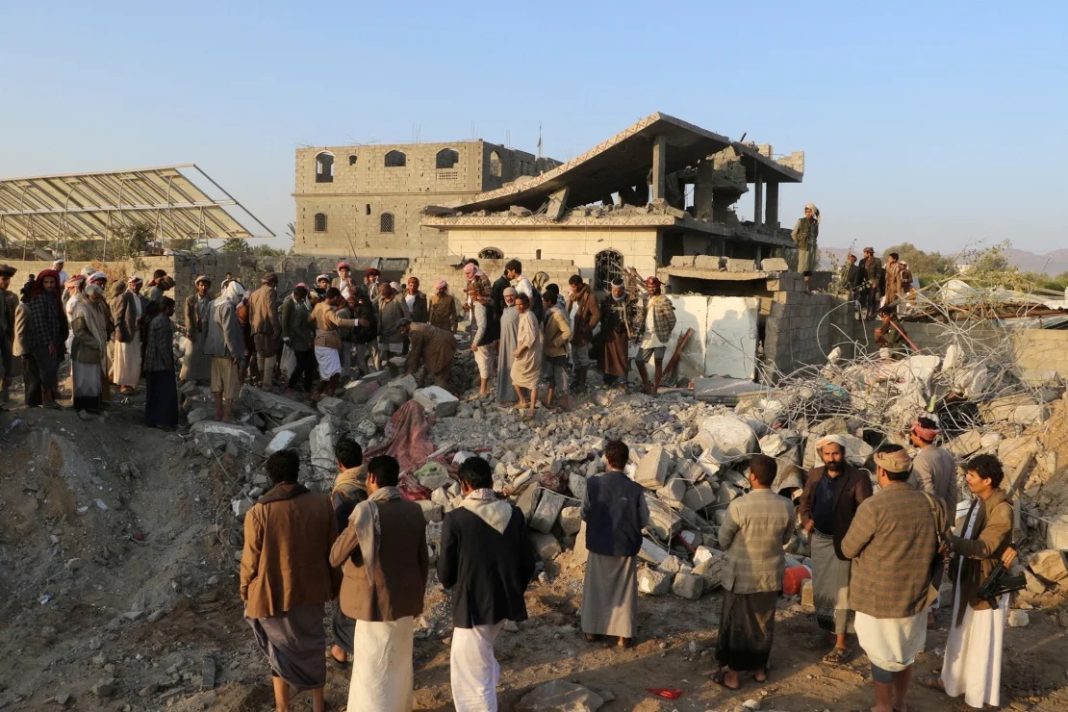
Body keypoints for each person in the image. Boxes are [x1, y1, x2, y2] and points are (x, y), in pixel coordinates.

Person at [841, 445, 944, 712]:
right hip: (917, 595)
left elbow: (848, 549)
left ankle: (883, 705)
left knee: (881, 655)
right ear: (909, 471)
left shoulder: (873, 507)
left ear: (881, 472)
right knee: (904, 654)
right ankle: (900, 703)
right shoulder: (933, 504)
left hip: (879, 598)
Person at [330, 455, 429, 712]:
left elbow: (336, 555)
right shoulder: (414, 510)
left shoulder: (365, 510)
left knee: (372, 674)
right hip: (405, 602)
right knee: (398, 666)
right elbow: (422, 560)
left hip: (373, 604)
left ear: (372, 479)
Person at [438, 456, 537, 711]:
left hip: (473, 607)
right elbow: (528, 562)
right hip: (504, 603)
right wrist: (513, 589)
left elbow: (445, 572)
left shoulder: (456, 519)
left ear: (465, 484)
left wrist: (453, 584)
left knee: (471, 678)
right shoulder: (512, 515)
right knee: (481, 659)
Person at [241, 449, 337, 712]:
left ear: (271, 477)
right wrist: (333, 585)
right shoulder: (322, 503)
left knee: (279, 652)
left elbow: (250, 560)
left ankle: (283, 707)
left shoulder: (258, 513)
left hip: (273, 595)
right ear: (297, 473)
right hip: (313, 590)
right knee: (313, 646)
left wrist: (245, 590)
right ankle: (318, 705)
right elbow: (333, 550)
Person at [938, 454, 1014, 709]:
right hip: (968, 576)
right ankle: (952, 683)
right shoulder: (979, 502)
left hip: (986, 583)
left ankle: (976, 695)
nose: (967, 479)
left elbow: (986, 546)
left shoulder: (1001, 508)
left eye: (972, 475)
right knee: (961, 632)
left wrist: (949, 541)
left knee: (981, 640)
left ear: (987, 480)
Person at [713, 454, 795, 691]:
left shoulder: (739, 505)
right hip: (770, 576)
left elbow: (723, 539)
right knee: (763, 624)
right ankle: (760, 670)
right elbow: (787, 538)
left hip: (741, 577)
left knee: (738, 625)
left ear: (752, 477)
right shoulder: (786, 505)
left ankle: (734, 676)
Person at [798, 434, 873, 663]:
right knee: (822, 588)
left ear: (843, 453)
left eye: (836, 453)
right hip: (819, 539)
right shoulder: (815, 475)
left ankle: (841, 642)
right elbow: (805, 501)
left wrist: (857, 540)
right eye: (828, 454)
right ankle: (826, 631)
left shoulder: (857, 478)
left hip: (844, 543)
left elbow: (866, 512)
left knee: (841, 592)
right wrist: (806, 519)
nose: (832, 458)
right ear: (821, 454)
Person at [581, 439, 649, 647]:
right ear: (626, 461)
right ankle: (623, 635)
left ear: (608, 460)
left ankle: (593, 630)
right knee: (625, 591)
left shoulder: (593, 484)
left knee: (596, 588)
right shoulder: (636, 490)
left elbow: (584, 513)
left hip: (599, 544)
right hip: (625, 546)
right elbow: (644, 519)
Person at [328, 436, 368, 668]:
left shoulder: (342, 491)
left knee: (346, 605)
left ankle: (343, 650)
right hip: (373, 550)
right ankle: (340, 648)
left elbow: (342, 527)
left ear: (340, 464)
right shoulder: (371, 482)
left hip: (352, 555)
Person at [14, 269, 68, 408]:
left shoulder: (53, 296)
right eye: (46, 282)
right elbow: (39, 322)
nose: (49, 285)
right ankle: (47, 401)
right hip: (40, 342)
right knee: (46, 372)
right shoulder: (39, 297)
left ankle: (38, 402)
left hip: (51, 341)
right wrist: (48, 342)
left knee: (45, 372)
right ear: (41, 283)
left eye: (52, 282)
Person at [203, 280, 246, 422]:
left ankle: (218, 413)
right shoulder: (227, 306)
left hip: (214, 350)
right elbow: (229, 332)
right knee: (230, 385)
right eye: (239, 297)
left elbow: (205, 325)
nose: (239, 300)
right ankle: (227, 415)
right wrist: (235, 353)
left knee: (217, 384)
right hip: (227, 353)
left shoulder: (212, 303)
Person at [69, 277, 111, 414]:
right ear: (87, 295)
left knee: (94, 379)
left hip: (95, 349)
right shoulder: (80, 308)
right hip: (84, 349)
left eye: (99, 297)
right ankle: (84, 405)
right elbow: (79, 331)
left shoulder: (97, 306)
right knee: (84, 379)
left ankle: (94, 404)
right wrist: (95, 343)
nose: (98, 299)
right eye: (95, 297)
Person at [310, 287, 358, 400]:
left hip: (321, 342)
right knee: (333, 372)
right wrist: (357, 322)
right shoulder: (328, 310)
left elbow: (310, 319)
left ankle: (322, 394)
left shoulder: (318, 306)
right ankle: (324, 394)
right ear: (335, 297)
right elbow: (339, 321)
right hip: (327, 344)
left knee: (329, 372)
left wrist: (317, 330)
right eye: (338, 298)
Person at [635, 276, 676, 395]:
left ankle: (655, 389)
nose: (651, 289)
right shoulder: (646, 299)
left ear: (658, 287)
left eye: (653, 287)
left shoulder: (664, 300)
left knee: (658, 362)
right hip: (648, 335)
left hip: (660, 336)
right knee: (639, 360)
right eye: (649, 287)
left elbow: (672, 320)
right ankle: (647, 384)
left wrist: (665, 332)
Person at [144, 297, 180, 429]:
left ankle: (153, 420)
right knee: (164, 394)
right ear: (166, 308)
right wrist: (169, 363)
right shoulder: (162, 322)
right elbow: (162, 346)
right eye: (172, 308)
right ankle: (162, 421)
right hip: (159, 365)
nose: (173, 310)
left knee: (155, 393)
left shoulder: (160, 320)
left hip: (155, 364)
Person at [600, 278, 640, 388]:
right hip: (609, 333)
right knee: (608, 357)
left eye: (619, 290)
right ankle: (608, 379)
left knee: (622, 356)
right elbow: (602, 316)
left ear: (623, 289)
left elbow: (634, 316)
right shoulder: (607, 300)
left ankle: (622, 380)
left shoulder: (628, 300)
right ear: (612, 289)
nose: (616, 292)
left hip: (622, 334)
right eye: (614, 290)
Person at [111, 276, 145, 394]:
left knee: (134, 359)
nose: (134, 287)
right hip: (125, 334)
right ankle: (123, 385)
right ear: (129, 285)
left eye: (137, 285)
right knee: (124, 359)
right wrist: (119, 332)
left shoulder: (140, 298)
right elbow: (118, 317)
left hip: (136, 332)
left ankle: (131, 384)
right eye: (132, 285)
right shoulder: (124, 297)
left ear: (141, 285)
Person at [566, 275, 600, 392]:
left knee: (583, 358)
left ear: (579, 286)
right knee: (575, 358)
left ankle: (582, 383)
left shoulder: (590, 297)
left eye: (574, 287)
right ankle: (576, 380)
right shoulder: (572, 296)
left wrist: (587, 328)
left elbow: (596, 315)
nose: (572, 289)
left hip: (582, 333)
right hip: (572, 331)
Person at [510, 293, 543, 416]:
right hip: (526, 353)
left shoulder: (529, 315)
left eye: (521, 304)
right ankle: (523, 400)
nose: (518, 307)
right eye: (517, 304)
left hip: (529, 354)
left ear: (527, 304)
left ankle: (531, 407)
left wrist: (520, 350)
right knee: (515, 376)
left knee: (532, 382)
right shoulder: (524, 315)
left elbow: (530, 337)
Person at [281, 284, 316, 394]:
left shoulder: (304, 307)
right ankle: (291, 386)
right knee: (301, 365)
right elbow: (289, 323)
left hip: (305, 341)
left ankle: (307, 389)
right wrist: (286, 336)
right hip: (300, 342)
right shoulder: (296, 306)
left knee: (309, 366)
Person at [250, 273, 282, 390]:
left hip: (256, 329)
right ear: (273, 283)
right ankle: (267, 384)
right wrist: (276, 328)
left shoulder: (254, 293)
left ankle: (260, 380)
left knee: (260, 354)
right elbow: (271, 311)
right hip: (267, 328)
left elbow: (251, 314)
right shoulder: (270, 291)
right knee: (270, 355)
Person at [403, 319, 457, 389]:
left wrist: (410, 370)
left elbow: (415, 352)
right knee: (433, 363)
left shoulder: (415, 332)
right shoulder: (416, 325)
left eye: (403, 330)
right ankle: (423, 381)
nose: (402, 332)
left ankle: (442, 393)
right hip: (448, 338)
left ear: (406, 326)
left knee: (439, 372)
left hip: (441, 346)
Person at [541, 291, 572, 410]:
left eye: (544, 301)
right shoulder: (549, 312)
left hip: (558, 352)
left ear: (549, 301)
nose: (543, 303)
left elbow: (568, 331)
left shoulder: (557, 314)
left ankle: (565, 402)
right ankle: (549, 399)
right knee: (552, 376)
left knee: (561, 377)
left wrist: (556, 342)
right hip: (550, 351)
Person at [468, 281, 498, 398]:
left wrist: (475, 342)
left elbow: (482, 326)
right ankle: (489, 386)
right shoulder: (489, 301)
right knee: (489, 360)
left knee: (483, 363)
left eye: (471, 293)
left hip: (483, 340)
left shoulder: (479, 306)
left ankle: (483, 389)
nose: (470, 296)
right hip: (491, 338)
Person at [180, 275, 213, 384]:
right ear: (197, 286)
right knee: (191, 354)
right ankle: (185, 377)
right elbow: (188, 316)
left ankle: (203, 378)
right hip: (194, 330)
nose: (204, 287)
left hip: (206, 330)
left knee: (205, 356)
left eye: (206, 285)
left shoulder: (212, 300)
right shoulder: (191, 299)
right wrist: (189, 331)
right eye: (201, 285)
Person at [495, 287, 519, 405]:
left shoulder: (520, 311)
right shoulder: (506, 310)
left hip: (515, 347)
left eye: (511, 295)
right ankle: (504, 395)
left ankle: (515, 396)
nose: (509, 298)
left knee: (515, 371)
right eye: (506, 296)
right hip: (505, 346)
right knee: (505, 369)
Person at [0, 264, 19, 405]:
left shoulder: (12, 297)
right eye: (3, 279)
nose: (6, 282)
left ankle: (4, 402)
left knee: (6, 371)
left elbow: (15, 321)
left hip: (6, 338)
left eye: (8, 279)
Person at [377, 282, 408, 361]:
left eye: (383, 291)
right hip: (384, 334)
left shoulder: (399, 298)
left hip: (396, 334)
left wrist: (404, 327)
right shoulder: (381, 299)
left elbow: (407, 315)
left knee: (395, 359)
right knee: (384, 358)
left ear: (389, 289)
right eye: (380, 291)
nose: (382, 293)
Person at [791, 203, 821, 278]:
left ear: (813, 212)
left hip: (812, 248)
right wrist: (799, 243)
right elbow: (793, 234)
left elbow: (816, 234)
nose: (808, 214)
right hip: (803, 248)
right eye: (807, 212)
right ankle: (799, 284)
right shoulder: (801, 221)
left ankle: (806, 285)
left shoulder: (815, 223)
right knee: (802, 268)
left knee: (810, 268)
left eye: (810, 212)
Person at [859, 247, 884, 320]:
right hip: (864, 283)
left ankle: (870, 316)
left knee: (871, 299)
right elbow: (860, 273)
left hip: (873, 282)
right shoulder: (862, 261)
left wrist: (875, 283)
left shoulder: (877, 261)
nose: (863, 254)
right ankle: (861, 316)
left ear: (869, 253)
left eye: (865, 253)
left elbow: (879, 273)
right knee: (862, 299)